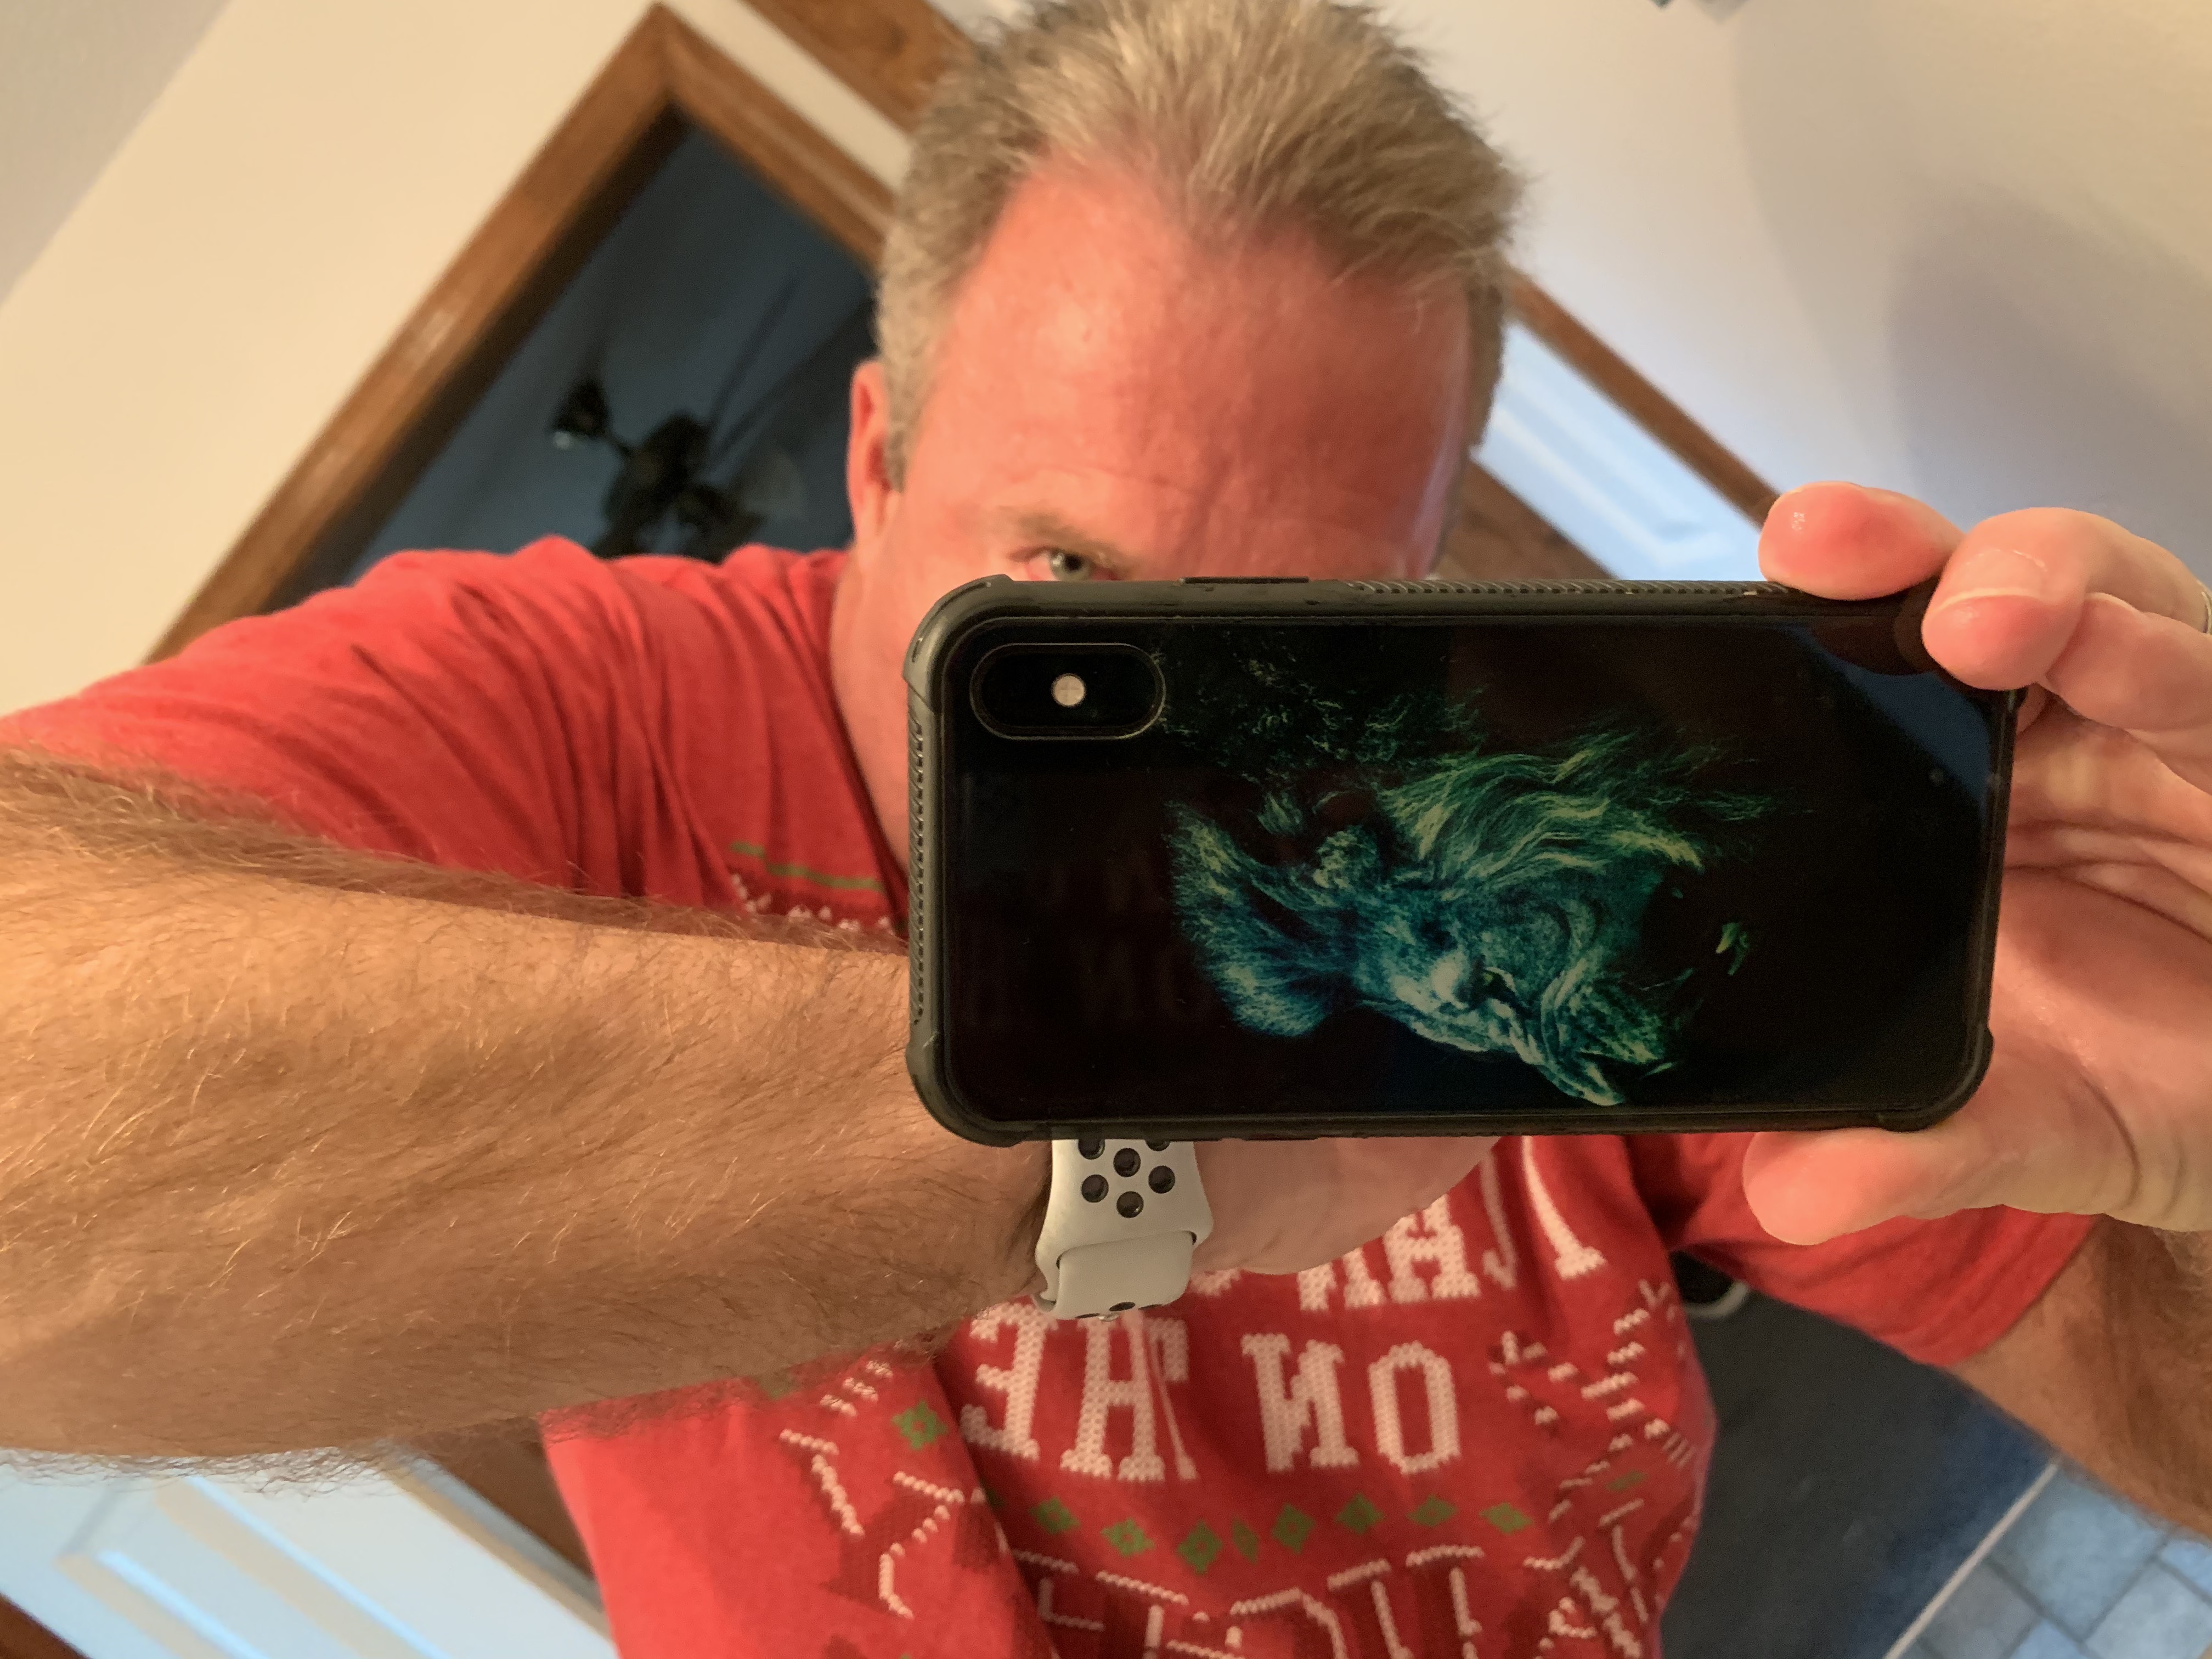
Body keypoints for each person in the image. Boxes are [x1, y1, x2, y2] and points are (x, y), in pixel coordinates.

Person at [2, 0, 2209, 1652]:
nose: (1203, 760)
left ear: (1427, 568)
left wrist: (2195, 1156)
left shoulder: (1528, 810)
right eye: (1068, 594)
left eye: (1303, 627)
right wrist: (1125, 1144)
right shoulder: (581, 717)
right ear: (878, 456)